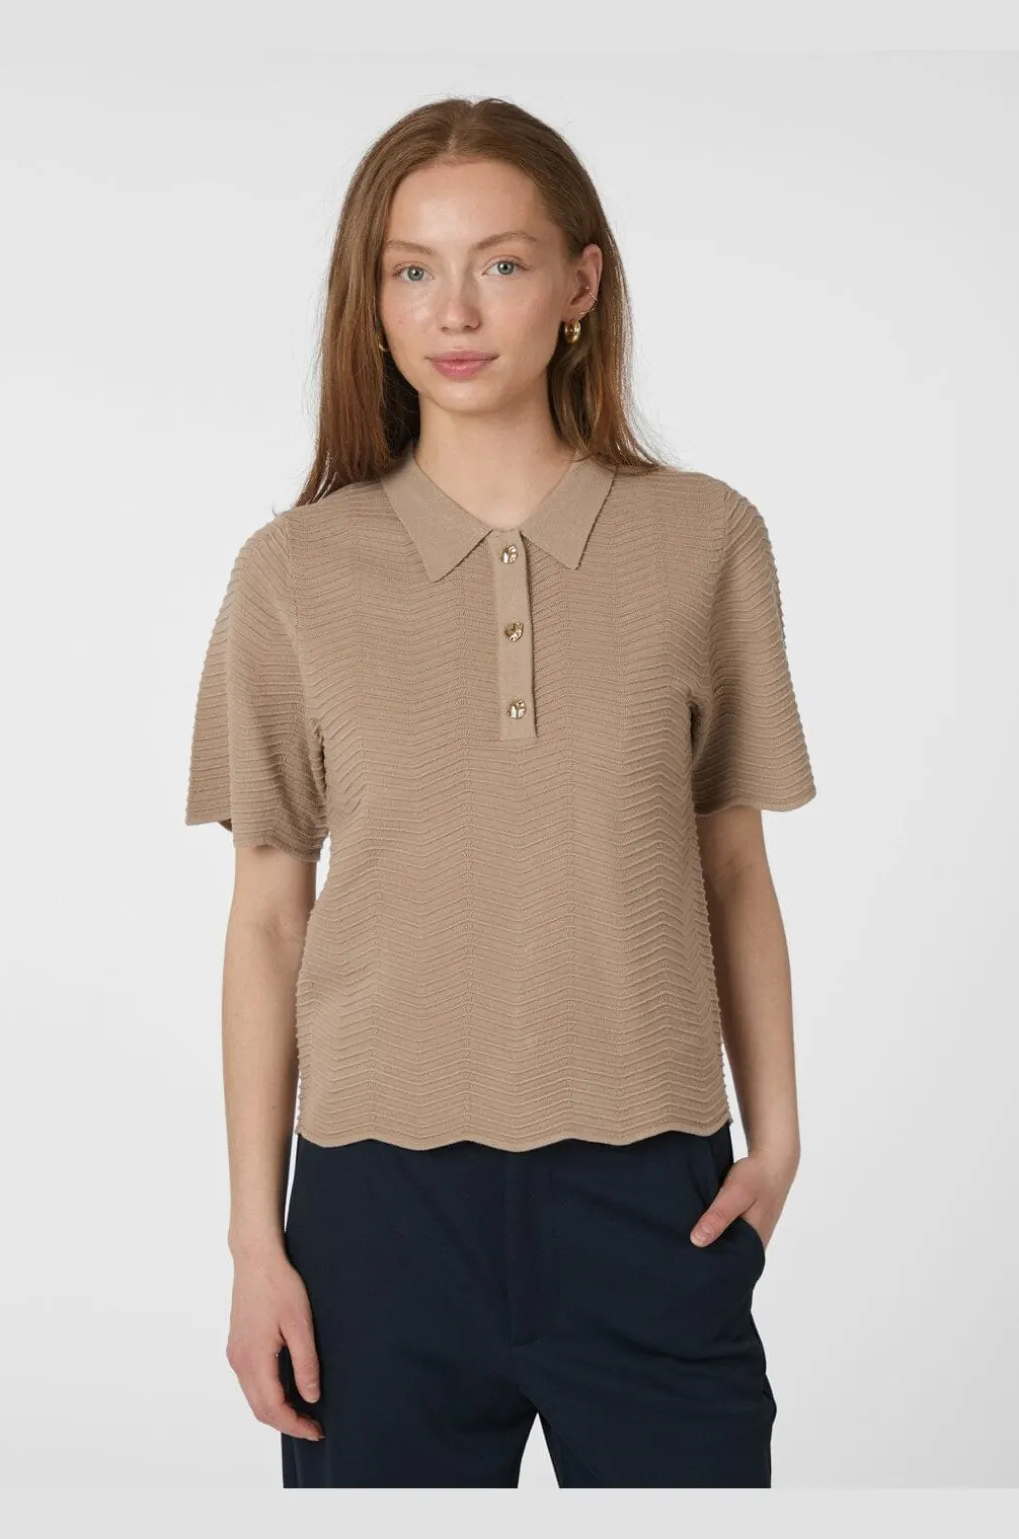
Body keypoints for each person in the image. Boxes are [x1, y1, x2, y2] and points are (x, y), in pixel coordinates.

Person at [184, 95, 817, 1489]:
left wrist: (776, 1141)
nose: (454, 311)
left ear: (580, 285)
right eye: (412, 269)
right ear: (371, 302)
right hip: (375, 1211)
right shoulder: (291, 574)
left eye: (502, 263)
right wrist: (254, 1242)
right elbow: (269, 916)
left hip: (655, 1195)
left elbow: (732, 867)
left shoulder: (705, 539)